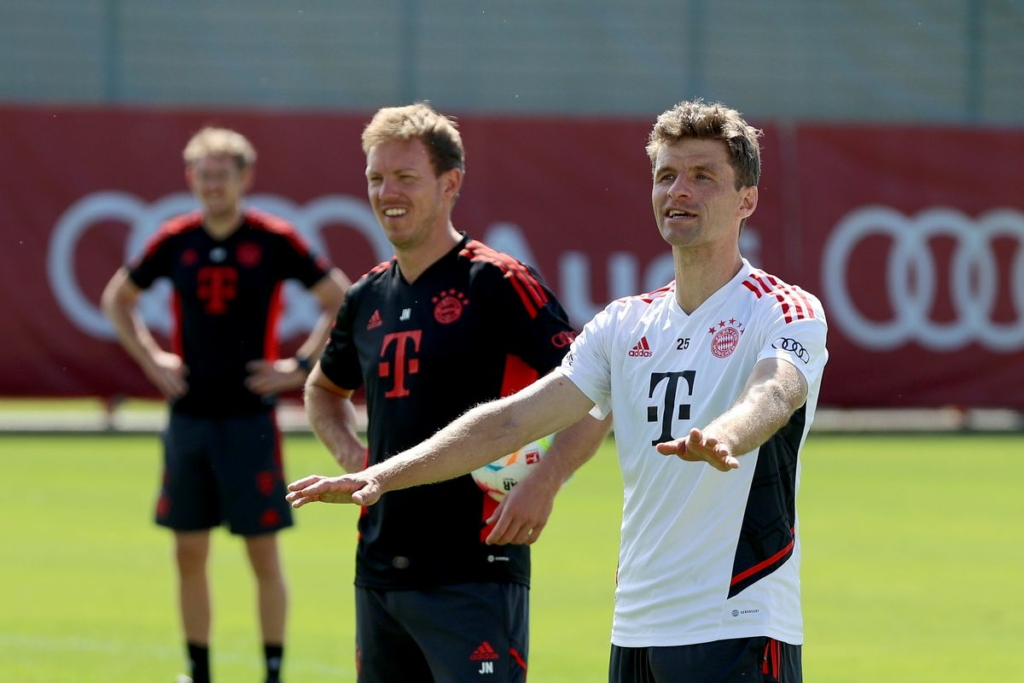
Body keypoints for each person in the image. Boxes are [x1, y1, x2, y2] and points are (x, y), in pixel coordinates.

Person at [287, 99, 829, 683]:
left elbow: (774, 392)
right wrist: (381, 476)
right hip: (638, 624)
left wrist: (725, 433)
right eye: (666, 175)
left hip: (738, 619)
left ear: (746, 199)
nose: (680, 191)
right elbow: (507, 423)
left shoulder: (783, 307)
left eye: (703, 177)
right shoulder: (624, 323)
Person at [295, 102, 611, 683]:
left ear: (450, 184)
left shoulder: (496, 281)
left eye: (405, 177)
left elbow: (595, 389)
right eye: (376, 178)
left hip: (476, 569)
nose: (387, 192)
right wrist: (360, 463)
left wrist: (547, 479)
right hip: (380, 568)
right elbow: (323, 390)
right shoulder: (365, 296)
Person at [101, 126, 351, 683]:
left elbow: (339, 298)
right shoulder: (176, 239)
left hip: (250, 421)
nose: (212, 184)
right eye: (203, 174)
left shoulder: (272, 238)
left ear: (245, 178)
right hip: (189, 418)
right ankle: (198, 670)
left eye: (223, 174)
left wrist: (299, 366)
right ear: (190, 179)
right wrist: (151, 359)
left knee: (261, 554)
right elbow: (118, 298)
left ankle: (272, 669)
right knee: (188, 551)